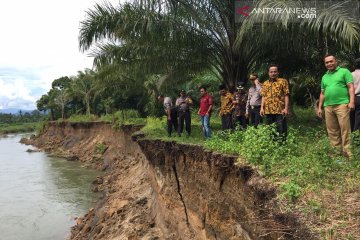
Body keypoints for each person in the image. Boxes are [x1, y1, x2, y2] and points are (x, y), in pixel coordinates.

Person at [317, 54, 355, 157]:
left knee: (345, 129)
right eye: (327, 62)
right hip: (328, 106)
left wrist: (351, 102)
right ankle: (336, 152)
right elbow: (322, 93)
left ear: (336, 61)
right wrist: (320, 107)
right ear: (325, 64)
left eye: (331, 61)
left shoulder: (344, 72)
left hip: (342, 104)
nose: (329, 63)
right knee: (332, 130)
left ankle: (348, 152)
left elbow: (351, 87)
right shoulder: (324, 77)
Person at [260, 64, 290, 140]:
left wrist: (286, 108)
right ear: (268, 73)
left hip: (280, 111)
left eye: (275, 72)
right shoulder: (265, 83)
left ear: (278, 72)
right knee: (270, 130)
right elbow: (263, 96)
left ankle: (282, 145)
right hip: (268, 111)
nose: (273, 73)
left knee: (281, 130)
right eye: (271, 72)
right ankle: (272, 145)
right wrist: (262, 108)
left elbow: (286, 95)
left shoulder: (283, 81)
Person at [350, 58, 360, 132]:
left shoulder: (351, 74)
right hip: (359, 97)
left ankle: (352, 134)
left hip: (352, 98)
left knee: (351, 118)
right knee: (358, 118)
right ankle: (356, 136)